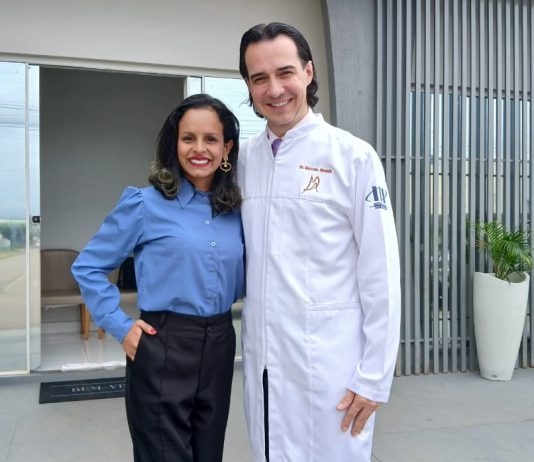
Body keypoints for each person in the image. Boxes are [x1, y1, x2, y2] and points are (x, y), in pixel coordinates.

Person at [237, 22, 401, 462]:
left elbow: (381, 273)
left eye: (285, 72)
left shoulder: (352, 157)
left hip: (332, 365)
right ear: (249, 85)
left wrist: (374, 376)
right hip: (264, 362)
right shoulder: (245, 161)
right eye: (259, 78)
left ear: (308, 72)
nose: (274, 89)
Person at [72, 94, 244, 462]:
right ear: (174, 144)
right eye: (188, 138)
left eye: (211, 139)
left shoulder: (237, 212)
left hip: (220, 344)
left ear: (227, 147)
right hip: (162, 343)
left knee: (209, 454)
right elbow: (88, 266)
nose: (199, 149)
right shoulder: (144, 204)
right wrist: (121, 326)